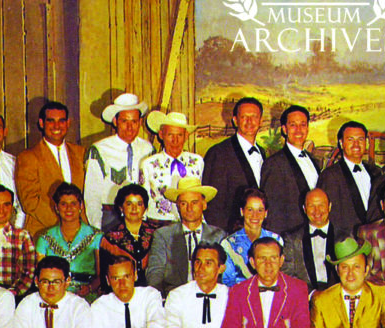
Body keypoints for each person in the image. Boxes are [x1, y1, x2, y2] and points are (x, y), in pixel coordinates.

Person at [84, 93, 153, 231]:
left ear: (140, 122)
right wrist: (96, 229)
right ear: (115, 121)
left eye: (134, 121)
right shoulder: (99, 150)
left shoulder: (148, 148)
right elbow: (92, 193)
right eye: (124, 121)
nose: (130, 127)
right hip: (111, 217)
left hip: (141, 217)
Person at [15, 101, 86, 237]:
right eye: (51, 121)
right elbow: (30, 202)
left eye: (61, 121)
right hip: (44, 232)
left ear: (68, 123)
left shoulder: (80, 153)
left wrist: (79, 227)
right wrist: (63, 226)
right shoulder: (28, 157)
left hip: (79, 232)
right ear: (41, 123)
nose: (56, 126)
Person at [146, 178, 226, 296]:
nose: (189, 208)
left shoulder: (218, 236)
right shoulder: (163, 235)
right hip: (173, 297)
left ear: (204, 204)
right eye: (184, 203)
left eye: (194, 202)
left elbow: (224, 275)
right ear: (178, 206)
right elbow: (155, 273)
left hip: (209, 297)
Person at [202, 97, 265, 231]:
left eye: (254, 117)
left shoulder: (264, 153)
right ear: (235, 120)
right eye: (244, 117)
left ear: (261, 121)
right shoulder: (218, 153)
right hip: (230, 234)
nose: (249, 121)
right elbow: (212, 204)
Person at [34, 183, 102, 301]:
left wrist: (90, 288)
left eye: (73, 204)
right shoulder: (44, 239)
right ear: (56, 208)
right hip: (53, 295)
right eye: (63, 204)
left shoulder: (96, 237)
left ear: (81, 206)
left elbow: (102, 275)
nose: (69, 208)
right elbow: (40, 276)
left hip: (87, 296)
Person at [260, 104, 321, 235]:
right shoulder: (274, 163)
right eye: (293, 125)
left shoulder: (314, 161)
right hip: (290, 239)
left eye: (303, 124)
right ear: (284, 129)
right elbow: (272, 213)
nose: (298, 130)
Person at [138, 110, 203, 230]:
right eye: (170, 135)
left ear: (186, 136)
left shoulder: (197, 162)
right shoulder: (148, 164)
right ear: (161, 135)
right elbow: (142, 201)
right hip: (157, 225)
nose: (175, 140)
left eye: (179, 135)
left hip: (190, 225)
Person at [317, 120, 380, 238]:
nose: (356, 145)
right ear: (341, 143)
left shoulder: (376, 172)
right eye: (350, 139)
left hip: (375, 242)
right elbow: (327, 216)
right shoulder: (330, 175)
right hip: (345, 245)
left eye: (360, 139)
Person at [221, 188, 283, 288]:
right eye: (250, 210)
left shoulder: (276, 240)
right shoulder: (229, 244)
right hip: (241, 298)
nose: (255, 215)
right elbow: (227, 282)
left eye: (260, 210)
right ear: (242, 211)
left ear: (266, 213)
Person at [281, 187, 339, 292]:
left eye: (321, 205)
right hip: (305, 298)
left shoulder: (343, 236)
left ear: (329, 206)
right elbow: (288, 275)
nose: (317, 211)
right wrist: (311, 294)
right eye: (311, 206)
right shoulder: (292, 239)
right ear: (304, 209)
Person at [99, 184, 154, 290]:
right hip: (120, 293)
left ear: (145, 208)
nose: (134, 209)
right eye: (129, 204)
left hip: (152, 293)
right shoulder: (109, 240)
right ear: (121, 208)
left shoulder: (157, 234)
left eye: (139, 204)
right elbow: (105, 277)